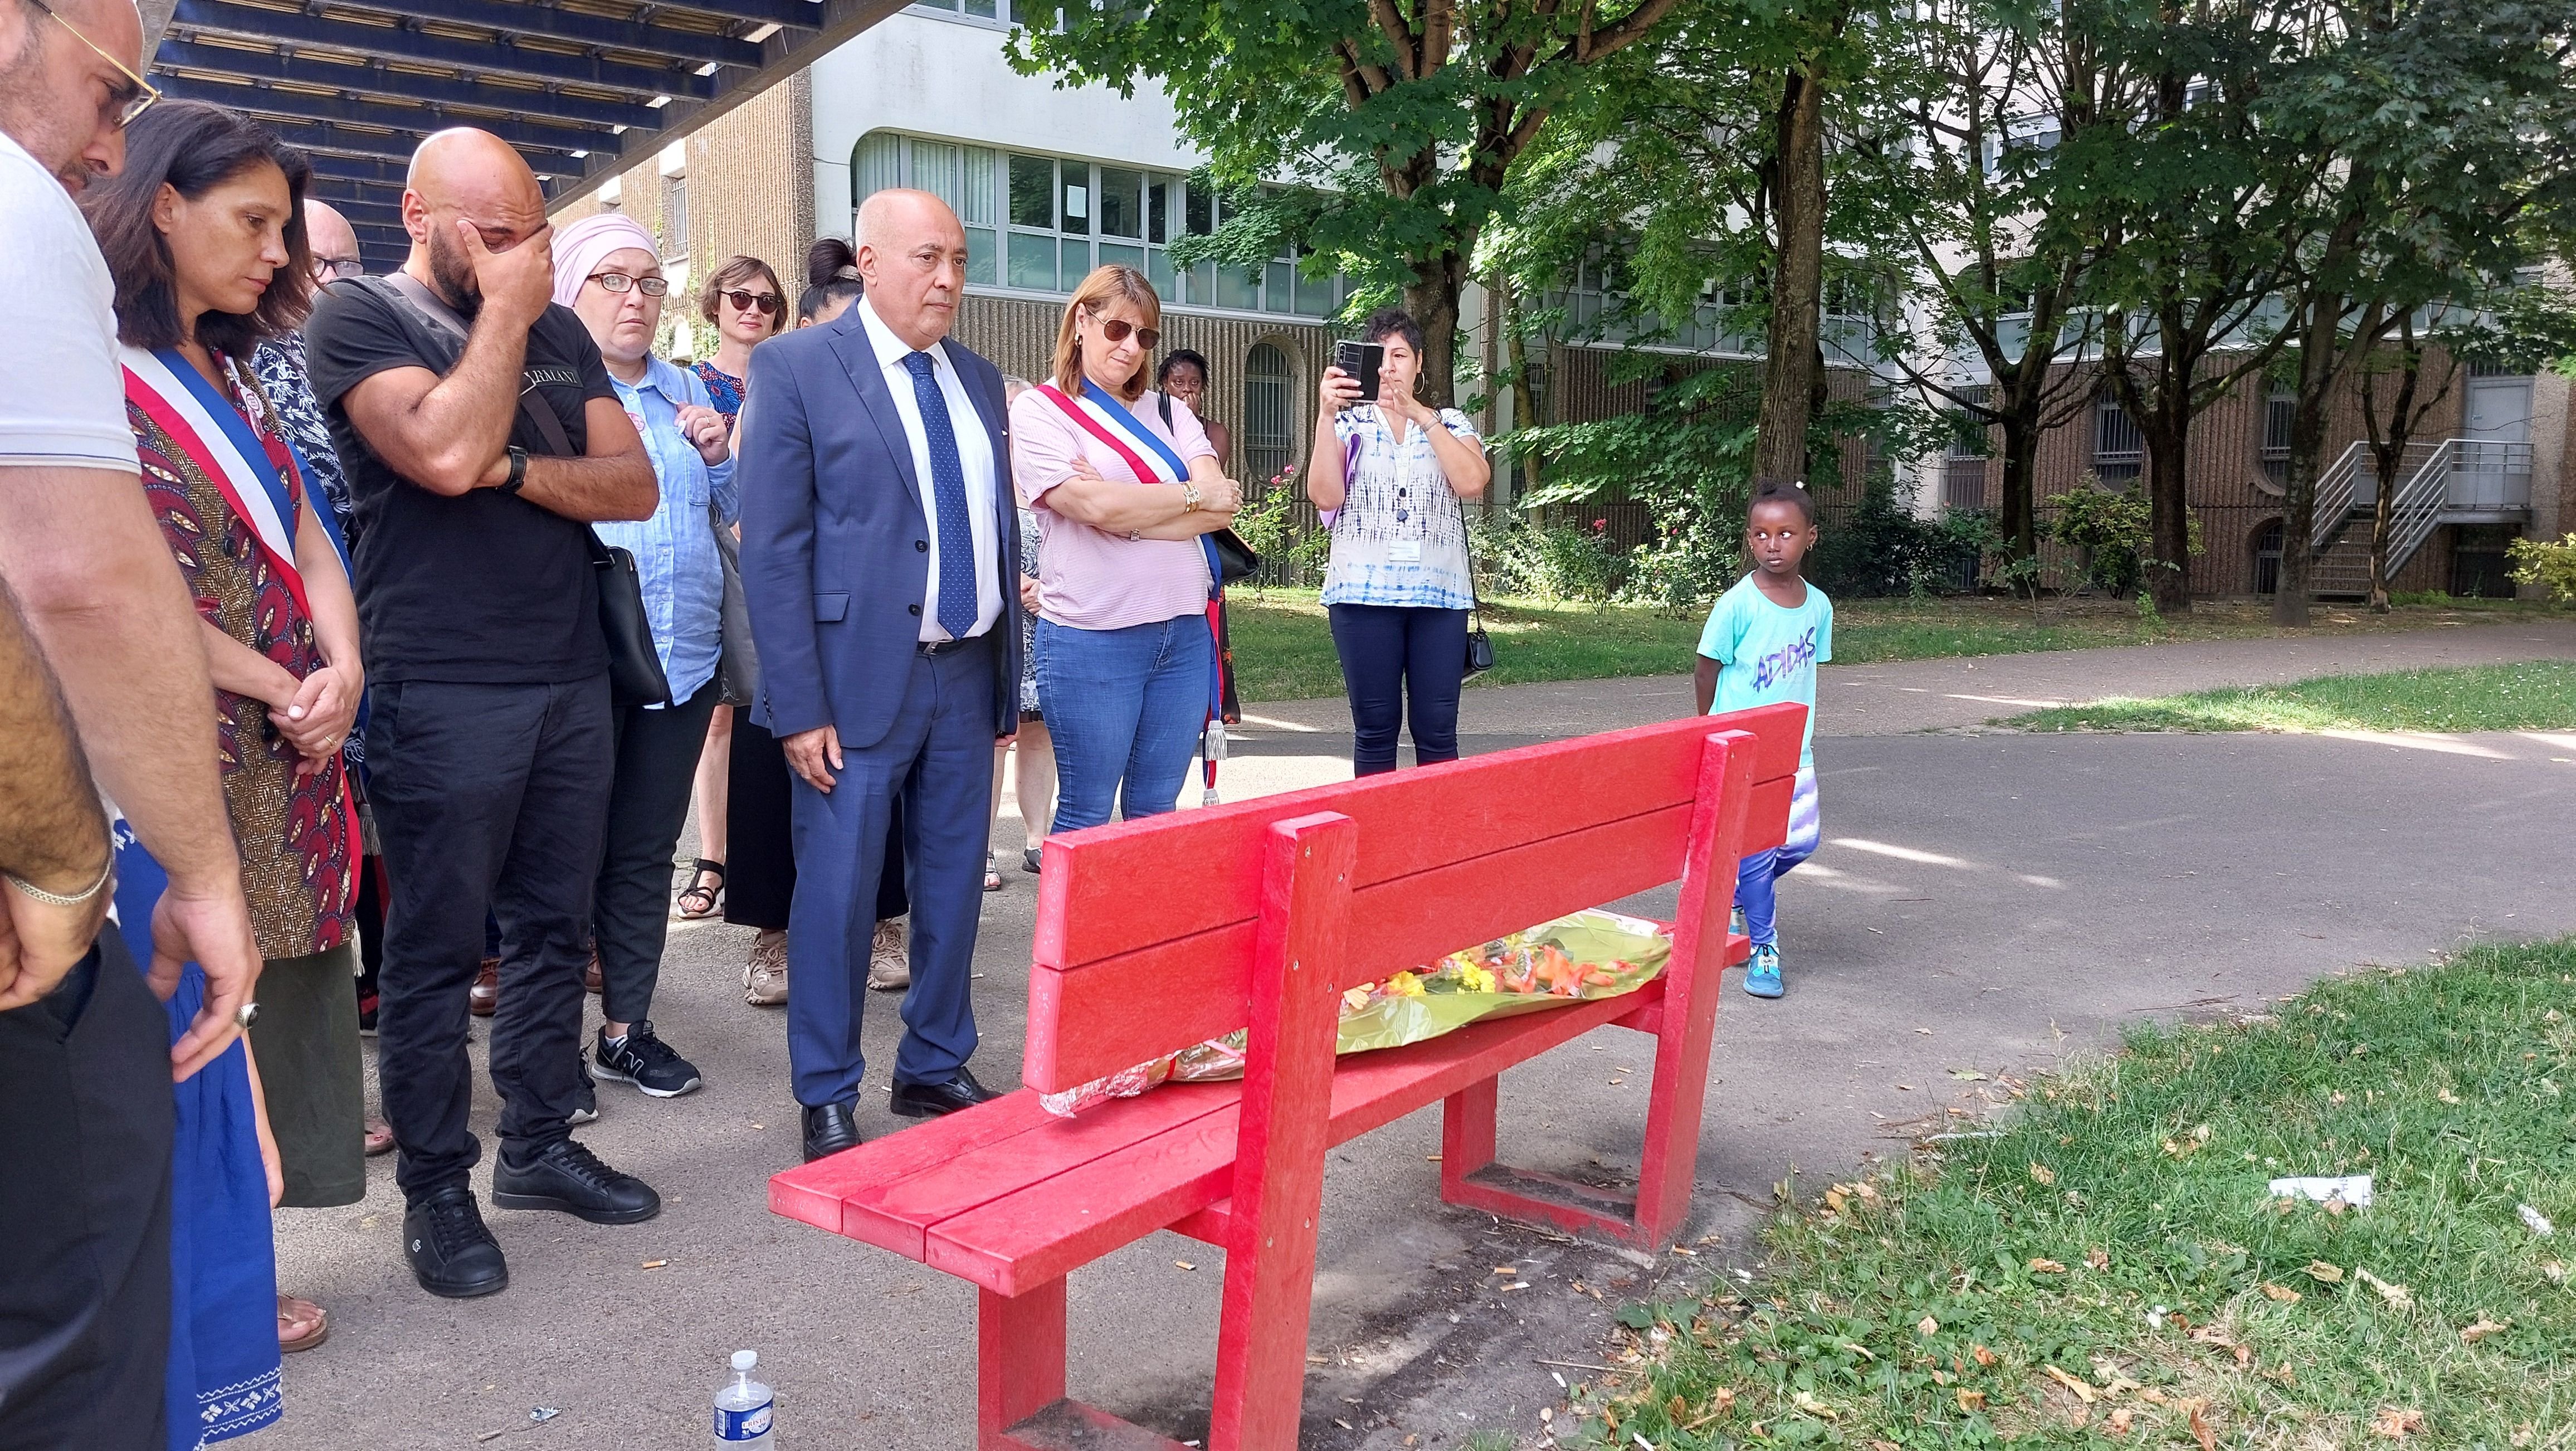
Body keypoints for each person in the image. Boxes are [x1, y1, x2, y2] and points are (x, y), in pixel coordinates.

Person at [302, 126, 661, 1299]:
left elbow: (634, 486)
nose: (523, 260)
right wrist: (506, 318)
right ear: (418, 215)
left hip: (568, 677)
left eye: (532, 236)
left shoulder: (562, 335)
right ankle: (440, 1190)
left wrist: (512, 471)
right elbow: (442, 451)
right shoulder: (359, 321)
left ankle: (541, 1145)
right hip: (440, 685)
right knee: (438, 950)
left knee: (558, 929)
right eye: (495, 236)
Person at [0, 3, 271, 1445]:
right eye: (108, 89)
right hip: (27, 913)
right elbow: (82, 576)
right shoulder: (11, 206)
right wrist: (200, 873)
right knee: (67, 1342)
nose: (112, 142)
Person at [94, 99, 368, 1366]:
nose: (277, 255)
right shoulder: (89, 364)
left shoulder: (242, 367)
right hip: (171, 747)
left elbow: (306, 524)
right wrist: (282, 679)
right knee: (194, 1008)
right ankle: (196, 1277)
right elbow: (107, 583)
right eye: (252, 223)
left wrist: (343, 662)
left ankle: (237, 1256)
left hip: (282, 744)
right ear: (163, 205)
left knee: (262, 995)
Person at [738, 192, 1023, 1163]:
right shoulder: (796, 367)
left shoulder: (979, 381)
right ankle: (825, 1086)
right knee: (837, 893)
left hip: (966, 668)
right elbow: (773, 548)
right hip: (852, 684)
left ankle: (933, 1059)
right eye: (926, 258)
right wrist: (796, 701)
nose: (947, 278)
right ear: (868, 257)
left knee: (950, 886)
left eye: (958, 258)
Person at [553, 212, 734, 1098]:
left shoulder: (687, 393)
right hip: (577, 662)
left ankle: (626, 1030)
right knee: (558, 855)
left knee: (640, 852)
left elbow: (729, 519)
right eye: (612, 280)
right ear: (570, 288)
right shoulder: (545, 391)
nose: (636, 299)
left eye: (650, 282)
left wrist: (722, 455)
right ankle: (546, 1054)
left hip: (682, 663)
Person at [248, 198, 394, 1157]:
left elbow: (321, 515)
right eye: (304, 257)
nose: (307, 275)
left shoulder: (292, 369)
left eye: (337, 263)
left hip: (340, 662)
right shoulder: (170, 361)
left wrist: (343, 662)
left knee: (335, 887)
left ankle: (317, 1123)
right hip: (247, 685)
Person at [721, 246, 894, 1008]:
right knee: (771, 767)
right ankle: (773, 937)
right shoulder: (779, 378)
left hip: (877, 618)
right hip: (788, 610)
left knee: (882, 775)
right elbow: (757, 517)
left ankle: (886, 922)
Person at [1013, 265, 1243, 835]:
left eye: (1145, 336)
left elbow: (1219, 509)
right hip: (1093, 637)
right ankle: (1077, 930)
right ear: (1081, 321)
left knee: (1155, 814)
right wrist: (1177, 501)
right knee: (1088, 812)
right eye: (1117, 329)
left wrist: (1129, 512)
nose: (1130, 347)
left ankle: (1142, 929)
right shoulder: (1041, 411)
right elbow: (1093, 510)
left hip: (1184, 635)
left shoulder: (1170, 411)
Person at [1307, 307, 1491, 778]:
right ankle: (1377, 844)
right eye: (1380, 357)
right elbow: (1325, 495)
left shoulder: (1449, 421)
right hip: (1362, 596)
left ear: (1420, 364)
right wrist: (1326, 415)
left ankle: (1437, 845)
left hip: (1439, 596)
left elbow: (1473, 481)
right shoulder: (1350, 425)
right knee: (1375, 730)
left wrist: (1419, 415)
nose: (1389, 368)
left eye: (1400, 355)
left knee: (1437, 732)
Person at [673, 254, 786, 923]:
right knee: (719, 713)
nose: (754, 310)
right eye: (740, 297)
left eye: (767, 301)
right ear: (714, 305)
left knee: (766, 708)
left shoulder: (791, 376)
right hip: (715, 555)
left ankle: (760, 851)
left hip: (779, 562)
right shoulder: (691, 383)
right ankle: (713, 856)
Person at [1692, 480, 1829, 1000]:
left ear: (1809, 538)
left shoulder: (1818, 607)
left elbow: (1807, 674)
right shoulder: (1737, 605)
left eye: (1787, 534)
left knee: (1801, 841)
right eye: (1763, 534)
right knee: (1756, 854)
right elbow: (1707, 667)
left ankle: (1732, 894)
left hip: (1796, 752)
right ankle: (1764, 947)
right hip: (1742, 751)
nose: (1775, 544)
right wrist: (1711, 727)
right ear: (1751, 541)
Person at [991, 376, 1056, 878]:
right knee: (997, 737)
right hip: (1001, 627)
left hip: (1049, 625)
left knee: (1040, 735)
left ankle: (1038, 839)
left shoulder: (1049, 470)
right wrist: (1015, 584)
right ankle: (984, 846)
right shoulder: (983, 470)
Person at [1155, 349, 1229, 469]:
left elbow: (1210, 475)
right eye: (1179, 382)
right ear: (1166, 384)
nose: (1187, 389)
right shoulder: (1150, 423)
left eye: (1195, 383)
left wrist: (1191, 421)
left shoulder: (1216, 432)